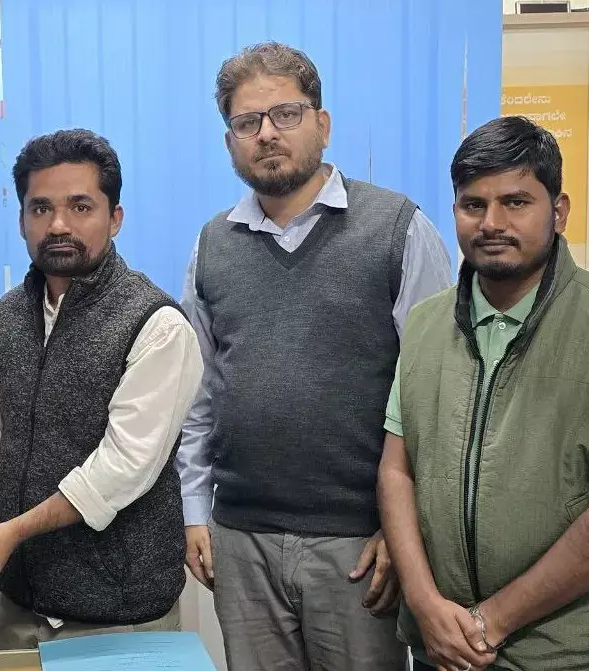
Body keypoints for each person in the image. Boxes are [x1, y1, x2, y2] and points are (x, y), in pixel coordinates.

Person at [176, 42, 454, 671]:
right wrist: (195, 512)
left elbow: (436, 396)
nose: (267, 133)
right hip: (240, 538)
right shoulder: (212, 244)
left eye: (286, 114)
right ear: (230, 142)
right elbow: (198, 395)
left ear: (322, 124)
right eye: (248, 122)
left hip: (360, 546)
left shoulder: (398, 229)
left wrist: (406, 532)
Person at [378, 115, 589, 671]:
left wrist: (492, 621)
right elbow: (396, 471)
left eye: (516, 202)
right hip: (442, 645)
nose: (492, 223)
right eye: (473, 204)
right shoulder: (426, 325)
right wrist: (425, 603)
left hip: (584, 652)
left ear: (559, 211)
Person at [0, 129, 204, 650]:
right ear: (22, 220)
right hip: (19, 605)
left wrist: (13, 531)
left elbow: (123, 469)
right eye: (41, 208)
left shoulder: (158, 325)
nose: (58, 224)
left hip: (122, 615)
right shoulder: (1, 318)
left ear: (115, 218)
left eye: (80, 207)